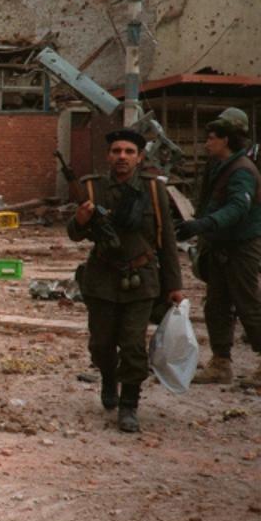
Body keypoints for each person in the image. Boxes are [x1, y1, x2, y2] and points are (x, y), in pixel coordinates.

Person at [68, 129, 184, 433]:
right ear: (108, 156)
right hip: (102, 278)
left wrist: (174, 285)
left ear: (140, 157)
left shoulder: (154, 192)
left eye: (129, 152)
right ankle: (109, 378)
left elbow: (167, 241)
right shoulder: (93, 189)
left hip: (142, 279)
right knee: (102, 343)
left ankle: (129, 405)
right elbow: (74, 233)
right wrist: (79, 221)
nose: (122, 157)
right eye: (116, 151)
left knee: (133, 344)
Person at [176, 108, 261, 385]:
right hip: (221, 247)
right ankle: (221, 363)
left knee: (248, 304)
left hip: (241, 247)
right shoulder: (221, 167)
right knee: (217, 306)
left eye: (211, 138)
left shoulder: (242, 171)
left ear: (226, 139)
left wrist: (204, 225)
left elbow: (238, 208)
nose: (206, 143)